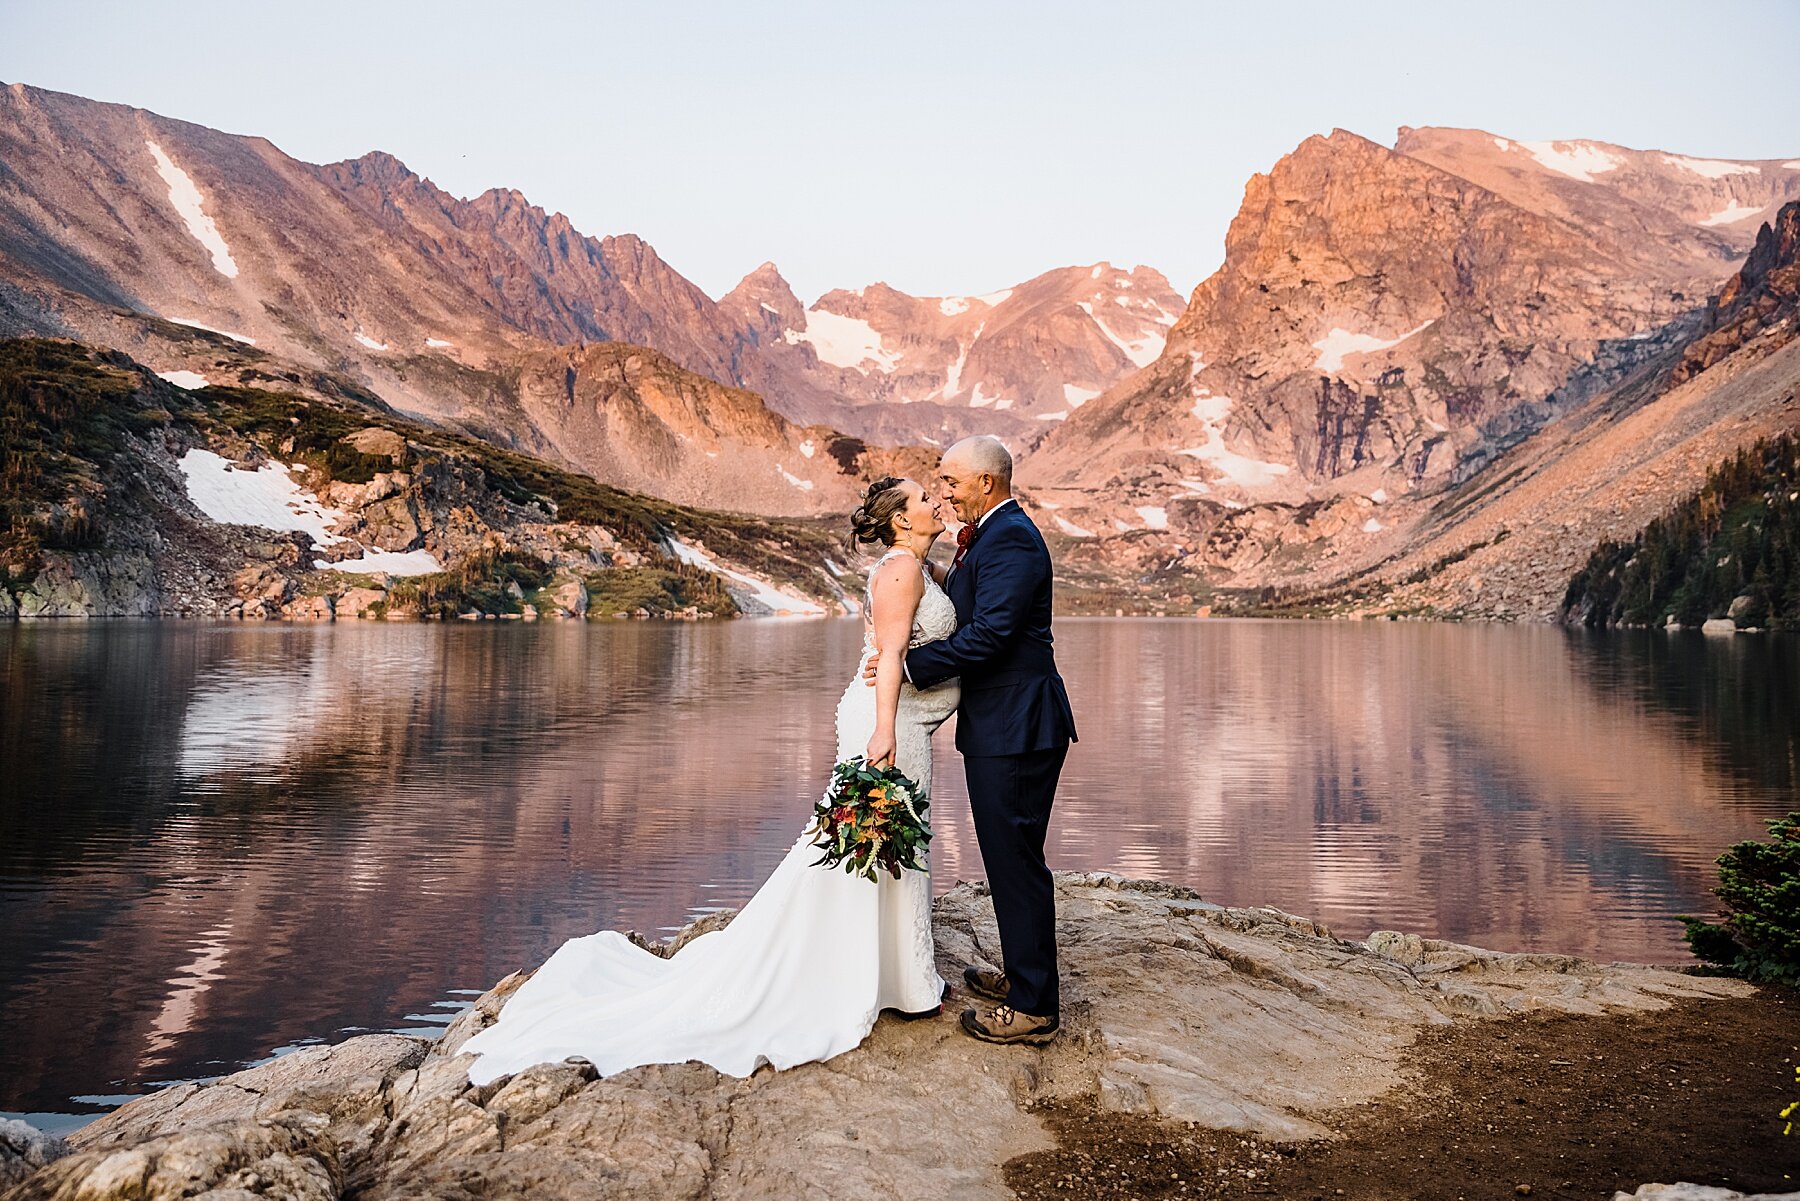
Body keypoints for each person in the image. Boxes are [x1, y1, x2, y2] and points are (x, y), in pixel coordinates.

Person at [461, 477, 959, 1083]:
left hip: (895, 714)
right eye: (924, 499)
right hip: (887, 722)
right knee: (875, 840)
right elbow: (894, 653)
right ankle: (889, 981)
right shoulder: (903, 572)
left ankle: (897, 976)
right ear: (901, 521)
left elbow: (899, 653)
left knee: (883, 841)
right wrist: (883, 729)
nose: (936, 501)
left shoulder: (917, 564)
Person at [866, 435, 1077, 1046]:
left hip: (1019, 727)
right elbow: (965, 612)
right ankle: (1022, 978)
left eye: (952, 482)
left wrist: (905, 667)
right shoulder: (989, 535)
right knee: (1009, 859)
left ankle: (1035, 1007)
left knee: (1016, 863)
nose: (946, 491)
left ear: (986, 482)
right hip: (1006, 724)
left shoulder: (1010, 536)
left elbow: (992, 637)